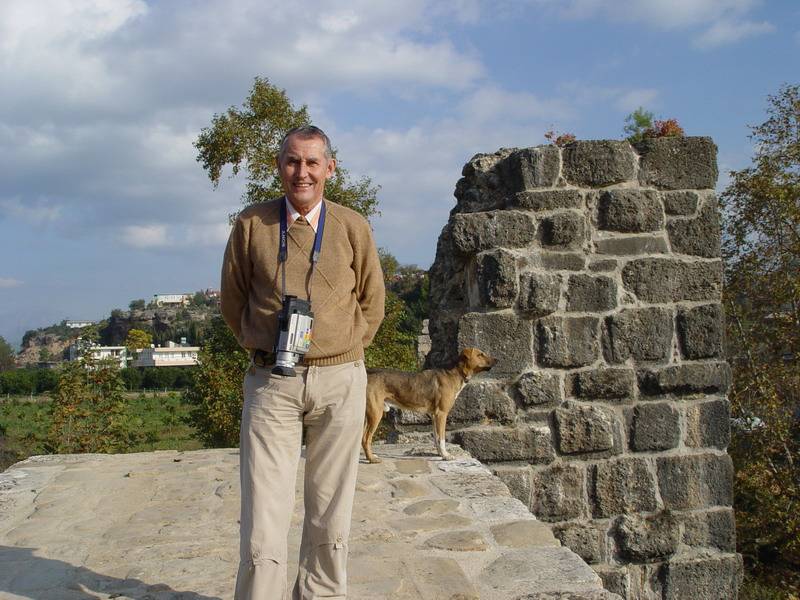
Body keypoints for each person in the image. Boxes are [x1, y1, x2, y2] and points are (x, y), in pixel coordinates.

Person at [220, 125, 385, 599]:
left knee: (331, 510)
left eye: (312, 162)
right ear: (279, 166)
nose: (302, 172)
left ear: (330, 168)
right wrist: (259, 345)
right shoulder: (252, 224)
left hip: (340, 382)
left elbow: (372, 300)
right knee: (263, 513)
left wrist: (344, 350)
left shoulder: (352, 226)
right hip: (272, 382)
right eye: (292, 161)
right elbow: (232, 301)